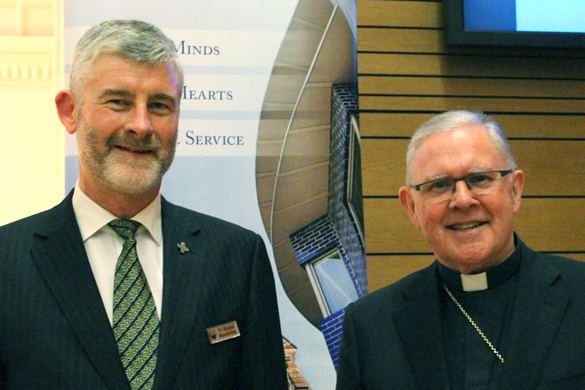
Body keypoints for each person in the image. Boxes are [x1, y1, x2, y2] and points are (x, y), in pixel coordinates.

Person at [0, 20, 287, 390]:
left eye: (160, 105)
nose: (141, 125)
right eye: (118, 102)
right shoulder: (7, 262)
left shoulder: (236, 258)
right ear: (70, 111)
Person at [335, 111, 585, 389]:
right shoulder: (370, 326)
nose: (463, 200)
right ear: (411, 207)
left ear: (515, 190)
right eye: (439, 185)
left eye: (479, 179)